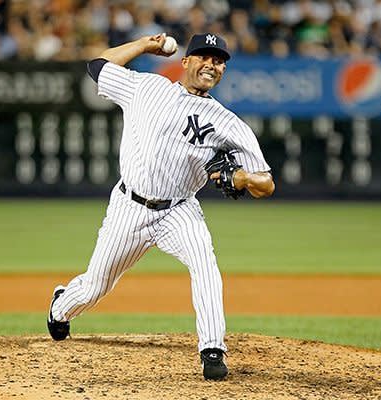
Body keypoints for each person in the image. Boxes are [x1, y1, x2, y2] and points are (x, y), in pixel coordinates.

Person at [47, 32, 275, 381]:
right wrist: (143, 45)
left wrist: (243, 178)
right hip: (130, 206)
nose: (211, 64)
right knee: (96, 286)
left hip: (179, 210)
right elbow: (97, 66)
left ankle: (212, 349)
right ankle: (61, 307)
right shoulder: (147, 88)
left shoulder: (228, 123)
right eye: (203, 56)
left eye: (218, 61)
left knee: (205, 263)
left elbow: (267, 183)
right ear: (185, 61)